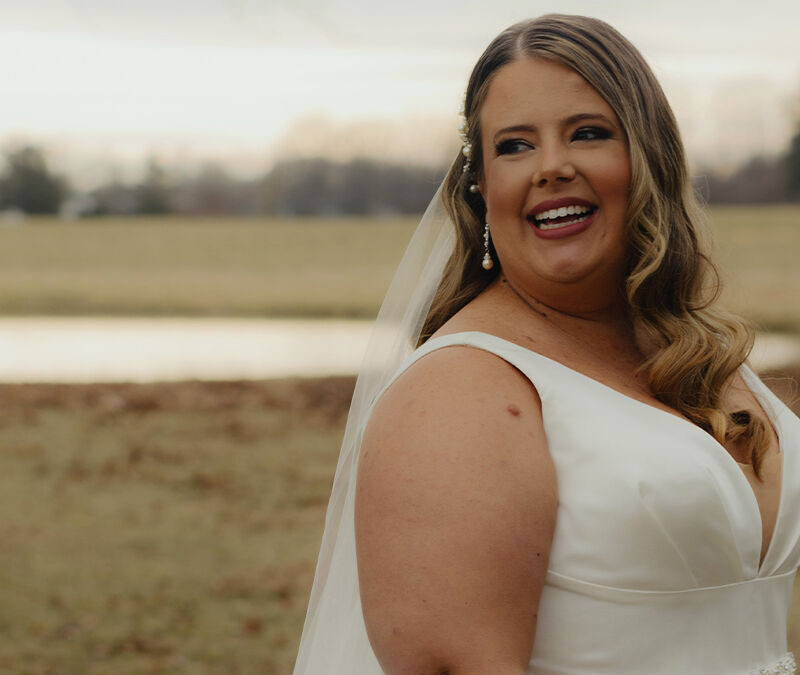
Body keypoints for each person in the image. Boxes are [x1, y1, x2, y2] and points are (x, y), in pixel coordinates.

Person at [293, 14, 799, 675]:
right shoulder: (460, 393)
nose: (552, 167)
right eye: (514, 146)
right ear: (481, 184)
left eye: (588, 133)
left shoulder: (696, 353)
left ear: (648, 156)